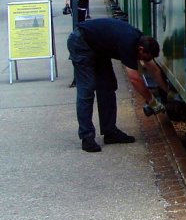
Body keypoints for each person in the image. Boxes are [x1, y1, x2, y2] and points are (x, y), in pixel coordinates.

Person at [67, 18, 170, 152]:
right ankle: (86, 137)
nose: (142, 61)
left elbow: (154, 69)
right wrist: (152, 101)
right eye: (143, 58)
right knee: (87, 89)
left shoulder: (141, 41)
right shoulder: (129, 43)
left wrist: (167, 91)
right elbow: (135, 79)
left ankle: (110, 132)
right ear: (141, 49)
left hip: (99, 47)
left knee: (107, 87)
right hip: (81, 42)